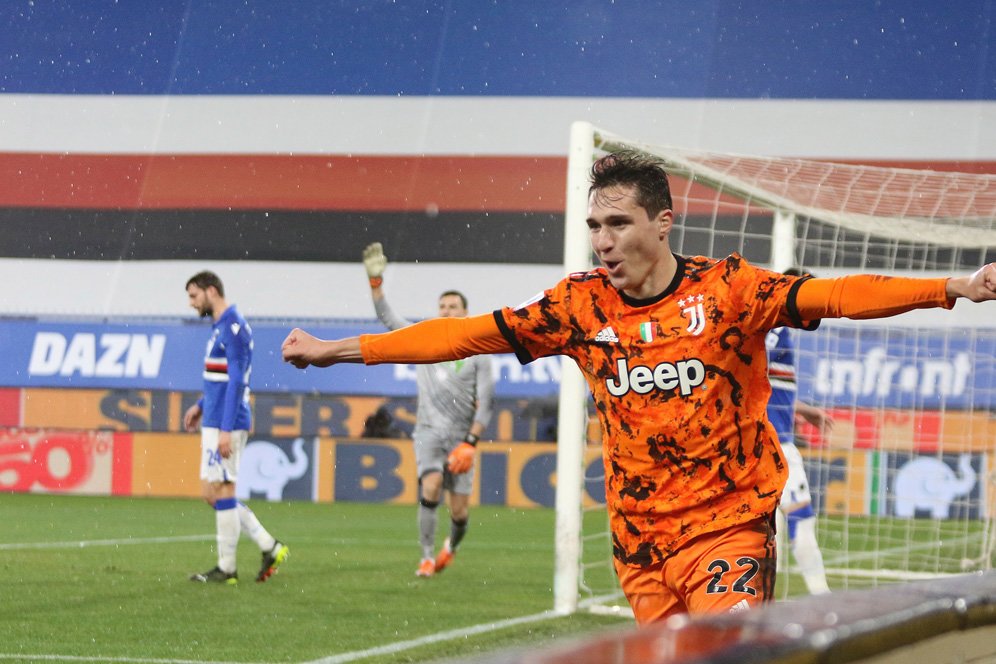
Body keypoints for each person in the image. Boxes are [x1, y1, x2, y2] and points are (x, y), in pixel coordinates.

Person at [281, 151, 996, 623]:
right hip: (640, 546)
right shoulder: (577, 306)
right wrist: (340, 350)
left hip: (728, 529)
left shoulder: (729, 291)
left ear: (662, 222)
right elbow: (461, 335)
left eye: (618, 223)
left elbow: (838, 295)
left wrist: (953, 287)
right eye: (595, 226)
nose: (602, 240)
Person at [361, 242, 495, 578]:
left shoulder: (480, 354)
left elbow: (488, 404)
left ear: (466, 312)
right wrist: (376, 283)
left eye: (454, 306)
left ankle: (451, 546)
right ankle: (425, 556)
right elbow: (387, 318)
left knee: (460, 512)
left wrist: (471, 442)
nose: (448, 311)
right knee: (431, 486)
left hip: (461, 439)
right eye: (443, 306)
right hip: (429, 433)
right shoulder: (424, 340)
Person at [183, 270, 289, 584]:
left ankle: (227, 568)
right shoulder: (220, 328)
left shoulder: (234, 328)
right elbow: (219, 378)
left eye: (193, 296)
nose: (191, 304)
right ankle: (269, 546)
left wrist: (226, 429)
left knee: (223, 490)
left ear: (211, 291)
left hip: (226, 423)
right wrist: (201, 406)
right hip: (214, 418)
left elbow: (237, 381)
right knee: (211, 492)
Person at [766, 269, 833, 595]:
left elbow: (762, 387)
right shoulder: (776, 327)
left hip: (750, 443)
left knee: (755, 532)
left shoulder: (773, 328)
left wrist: (804, 410)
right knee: (802, 520)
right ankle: (823, 600)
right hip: (775, 446)